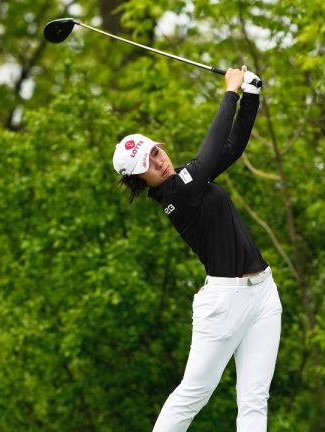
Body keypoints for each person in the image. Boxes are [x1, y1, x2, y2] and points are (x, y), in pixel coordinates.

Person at [111, 67, 282, 432]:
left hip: (264, 293)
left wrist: (250, 97)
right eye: (148, 164)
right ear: (138, 180)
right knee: (194, 393)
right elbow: (209, 150)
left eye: (156, 151)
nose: (159, 161)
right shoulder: (177, 194)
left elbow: (231, 148)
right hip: (223, 303)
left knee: (254, 399)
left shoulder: (188, 178)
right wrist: (231, 92)